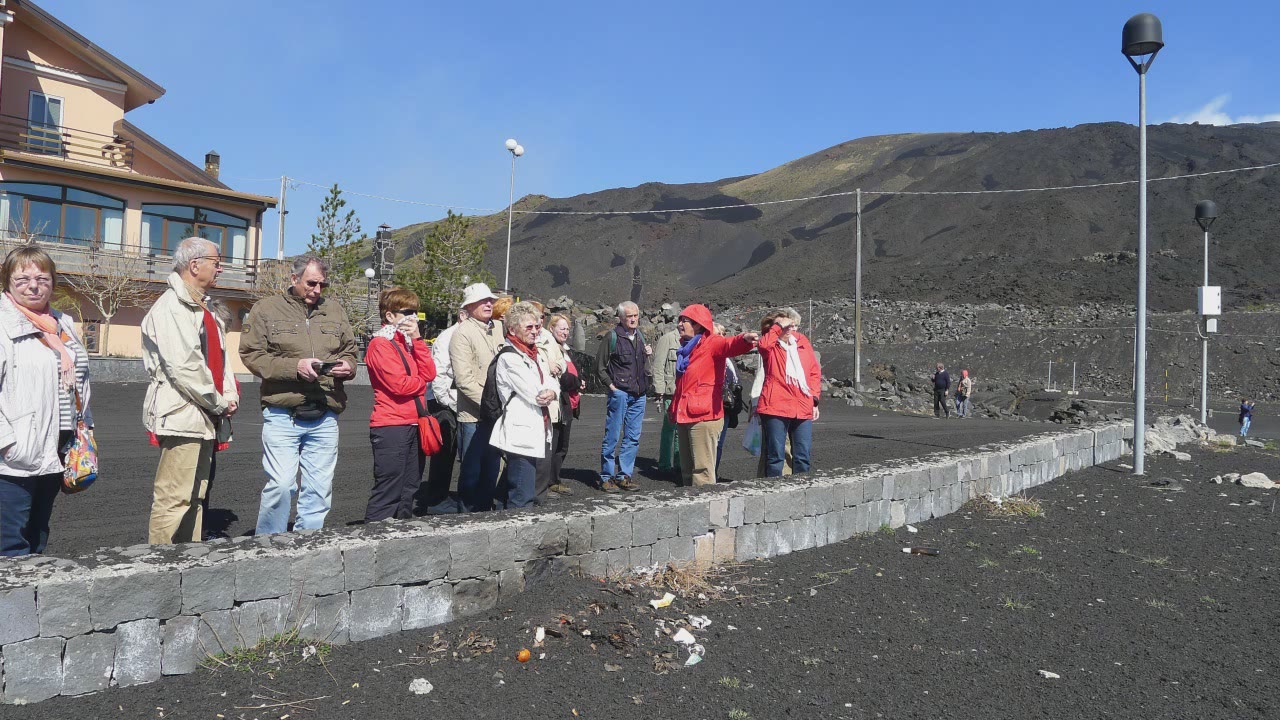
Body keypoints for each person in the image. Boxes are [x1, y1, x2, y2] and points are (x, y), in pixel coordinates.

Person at [240, 256, 358, 535]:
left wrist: (348, 366)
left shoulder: (335, 311)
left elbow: (350, 351)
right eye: (311, 283)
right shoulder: (266, 310)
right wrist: (295, 368)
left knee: (318, 490)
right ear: (294, 280)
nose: (317, 290)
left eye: (322, 285)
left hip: (325, 411)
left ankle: (308, 545)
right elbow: (251, 355)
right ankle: (269, 544)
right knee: (281, 485)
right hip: (283, 413)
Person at [142, 238, 238, 545]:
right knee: (174, 497)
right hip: (183, 413)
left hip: (204, 415)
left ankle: (187, 562)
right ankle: (158, 568)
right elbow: (185, 367)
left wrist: (230, 394)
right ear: (194, 265)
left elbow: (221, 361)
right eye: (216, 262)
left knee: (195, 495)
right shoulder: (171, 306)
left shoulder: (204, 306)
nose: (220, 268)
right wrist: (219, 402)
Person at [0, 246, 93, 556]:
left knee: (39, 533)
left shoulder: (62, 322)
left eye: (42, 277)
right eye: (22, 278)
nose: (34, 285)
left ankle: (35, 601)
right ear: (7, 282)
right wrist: (6, 442)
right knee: (10, 541)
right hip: (13, 453)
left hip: (57, 444)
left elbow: (81, 380)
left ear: (53, 282)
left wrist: (85, 430)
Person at [363, 287, 436, 522]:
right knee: (389, 489)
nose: (413, 317)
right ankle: (372, 540)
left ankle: (400, 538)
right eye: (407, 311)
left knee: (409, 489)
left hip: (414, 422)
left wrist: (417, 338)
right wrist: (422, 383)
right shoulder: (380, 344)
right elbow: (400, 386)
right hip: (391, 425)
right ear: (390, 315)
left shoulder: (407, 342)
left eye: (415, 312)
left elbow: (430, 372)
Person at [669, 304, 758, 486]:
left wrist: (745, 339)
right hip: (685, 415)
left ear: (699, 324)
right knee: (686, 470)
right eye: (679, 320)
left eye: (684, 321)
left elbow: (730, 344)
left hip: (704, 416)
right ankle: (689, 506)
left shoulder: (711, 343)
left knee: (702, 472)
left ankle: (706, 510)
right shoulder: (686, 349)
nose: (679, 324)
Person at [490, 301, 558, 509]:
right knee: (522, 493)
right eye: (529, 327)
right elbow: (534, 393)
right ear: (512, 329)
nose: (535, 331)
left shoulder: (531, 353)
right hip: (521, 432)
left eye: (537, 326)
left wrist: (552, 391)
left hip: (535, 427)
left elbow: (552, 381)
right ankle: (515, 534)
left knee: (520, 487)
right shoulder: (510, 358)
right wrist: (549, 391)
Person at [451, 283, 504, 512]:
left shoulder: (499, 328)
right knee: (472, 473)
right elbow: (464, 381)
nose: (489, 304)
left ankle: (485, 517)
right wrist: (492, 405)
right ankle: (467, 518)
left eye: (490, 300)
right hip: (474, 415)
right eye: (483, 301)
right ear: (469, 305)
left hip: (496, 415)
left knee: (492, 469)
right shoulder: (462, 334)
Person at [756, 309, 821, 477]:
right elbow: (763, 345)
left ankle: (802, 492)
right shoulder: (770, 346)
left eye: (790, 325)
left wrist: (814, 399)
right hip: (776, 405)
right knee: (775, 457)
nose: (788, 329)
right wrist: (777, 327)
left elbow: (813, 371)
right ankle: (773, 494)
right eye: (783, 326)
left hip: (803, 404)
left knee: (803, 457)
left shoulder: (801, 342)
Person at [595, 301, 651, 493]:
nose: (634, 319)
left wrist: (647, 354)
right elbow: (600, 367)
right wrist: (612, 388)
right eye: (629, 316)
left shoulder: (640, 337)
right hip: (620, 394)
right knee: (612, 435)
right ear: (620, 318)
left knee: (632, 437)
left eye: (635, 315)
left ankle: (624, 475)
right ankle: (606, 477)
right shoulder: (612, 337)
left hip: (639, 394)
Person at [416, 308, 466, 515]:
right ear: (462, 315)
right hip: (443, 403)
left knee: (449, 451)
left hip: (452, 401)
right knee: (443, 453)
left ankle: (439, 496)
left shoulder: (460, 335)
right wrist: (447, 404)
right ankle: (436, 499)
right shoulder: (448, 337)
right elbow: (438, 374)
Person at [534, 310, 579, 502]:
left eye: (568, 329)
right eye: (562, 328)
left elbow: (565, 372)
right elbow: (560, 376)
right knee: (550, 446)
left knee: (562, 445)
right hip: (555, 400)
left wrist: (576, 380)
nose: (565, 332)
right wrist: (576, 382)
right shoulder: (547, 346)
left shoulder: (565, 349)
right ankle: (544, 485)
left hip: (565, 402)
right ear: (551, 328)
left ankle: (554, 479)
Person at [651, 312, 682, 474]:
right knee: (669, 429)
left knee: (681, 430)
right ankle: (664, 464)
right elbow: (658, 366)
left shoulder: (691, 341)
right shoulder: (667, 340)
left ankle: (679, 463)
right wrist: (659, 390)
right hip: (671, 392)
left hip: (685, 392)